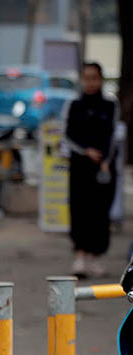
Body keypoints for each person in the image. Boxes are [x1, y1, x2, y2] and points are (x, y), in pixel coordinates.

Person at [64, 61, 119, 278]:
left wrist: (105, 159)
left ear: (101, 79)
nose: (91, 82)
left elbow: (114, 135)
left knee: (100, 211)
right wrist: (86, 151)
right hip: (80, 166)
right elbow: (67, 135)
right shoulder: (74, 105)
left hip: (103, 167)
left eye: (95, 77)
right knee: (80, 209)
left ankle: (95, 257)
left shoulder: (110, 105)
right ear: (82, 80)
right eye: (87, 78)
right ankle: (79, 256)